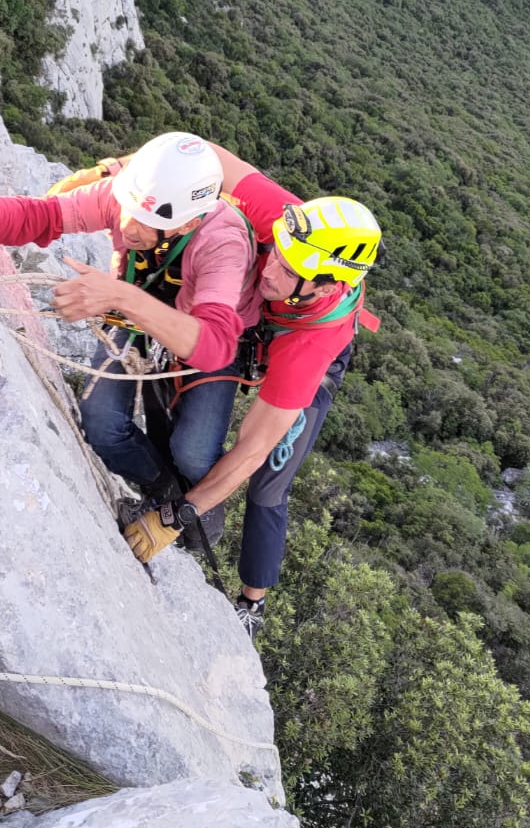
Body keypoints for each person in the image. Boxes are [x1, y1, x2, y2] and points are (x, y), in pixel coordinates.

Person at [0, 132, 258, 510]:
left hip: (199, 329)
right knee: (101, 426)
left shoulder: (222, 241)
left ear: (186, 225)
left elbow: (214, 345)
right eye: (128, 208)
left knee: (193, 453)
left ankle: (203, 505)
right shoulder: (126, 196)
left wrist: (120, 296)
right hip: (133, 308)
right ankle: (162, 491)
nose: (129, 227)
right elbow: (42, 216)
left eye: (146, 223)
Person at [113, 145, 381, 640]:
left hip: (294, 349)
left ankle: (252, 602)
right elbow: (205, 156)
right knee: (188, 435)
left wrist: (173, 519)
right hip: (240, 319)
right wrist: (131, 172)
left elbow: (252, 448)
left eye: (287, 267)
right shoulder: (289, 222)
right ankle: (177, 488)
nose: (270, 267)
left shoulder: (310, 344)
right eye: (275, 249)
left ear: (323, 288)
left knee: (269, 483)